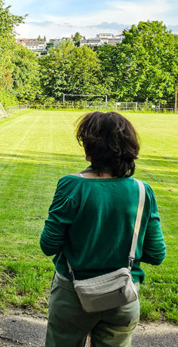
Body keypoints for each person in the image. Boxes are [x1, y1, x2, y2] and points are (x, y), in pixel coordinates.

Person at [40, 111, 166, 346]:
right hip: (122, 297)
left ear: (90, 149)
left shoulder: (71, 185)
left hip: (73, 296)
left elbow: (48, 245)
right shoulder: (142, 190)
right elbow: (156, 254)